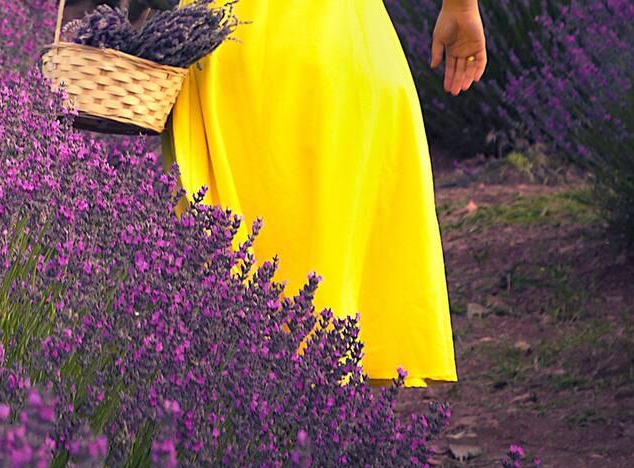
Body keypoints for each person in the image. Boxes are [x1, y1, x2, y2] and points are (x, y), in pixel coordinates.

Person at [162, 0, 487, 387]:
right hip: (350, 54)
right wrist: (462, 7)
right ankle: (320, 431)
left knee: (227, 292)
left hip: (232, 51)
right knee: (330, 291)